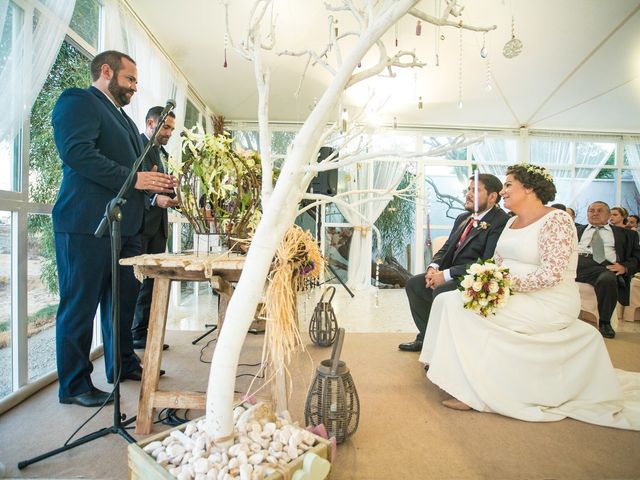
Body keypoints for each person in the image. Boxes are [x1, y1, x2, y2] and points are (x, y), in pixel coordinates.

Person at [419, 164, 640, 430]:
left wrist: (501, 285)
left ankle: (474, 391)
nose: (503, 190)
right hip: (509, 292)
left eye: (509, 184)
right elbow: (498, 260)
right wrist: (485, 281)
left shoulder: (557, 220)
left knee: (463, 309)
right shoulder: (512, 221)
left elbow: (552, 275)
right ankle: (447, 371)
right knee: (447, 299)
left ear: (530, 188)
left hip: (548, 301)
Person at [52, 50, 175, 407]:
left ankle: (121, 365)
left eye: (136, 81)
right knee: (80, 305)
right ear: (106, 71)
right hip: (87, 223)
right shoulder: (79, 101)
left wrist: (154, 187)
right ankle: (74, 384)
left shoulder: (121, 118)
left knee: (120, 304)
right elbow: (77, 154)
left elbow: (133, 172)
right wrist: (136, 179)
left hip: (125, 229)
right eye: (130, 79)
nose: (135, 88)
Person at [399, 173, 509, 352]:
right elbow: (447, 247)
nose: (468, 194)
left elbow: (487, 261)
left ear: (492, 197)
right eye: (468, 189)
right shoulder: (463, 218)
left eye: (475, 190)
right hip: (450, 274)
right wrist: (433, 268)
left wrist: (446, 275)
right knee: (414, 284)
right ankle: (427, 338)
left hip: (475, 279)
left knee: (442, 291)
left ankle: (445, 347)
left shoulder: (500, 221)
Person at [131, 107, 179, 350]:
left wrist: (173, 194)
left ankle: (145, 333)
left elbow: (161, 189)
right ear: (151, 123)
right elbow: (132, 187)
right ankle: (134, 335)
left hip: (159, 227)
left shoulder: (163, 154)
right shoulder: (137, 147)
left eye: (172, 128)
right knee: (137, 285)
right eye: (166, 127)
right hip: (140, 226)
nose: (170, 132)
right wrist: (154, 200)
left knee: (152, 284)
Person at [575, 201, 640, 338]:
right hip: (576, 264)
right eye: (591, 210)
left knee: (608, 278)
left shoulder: (627, 234)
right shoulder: (575, 230)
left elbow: (637, 256)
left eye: (600, 211)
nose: (595, 213)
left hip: (604, 266)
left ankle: (605, 322)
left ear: (609, 215)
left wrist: (625, 267)